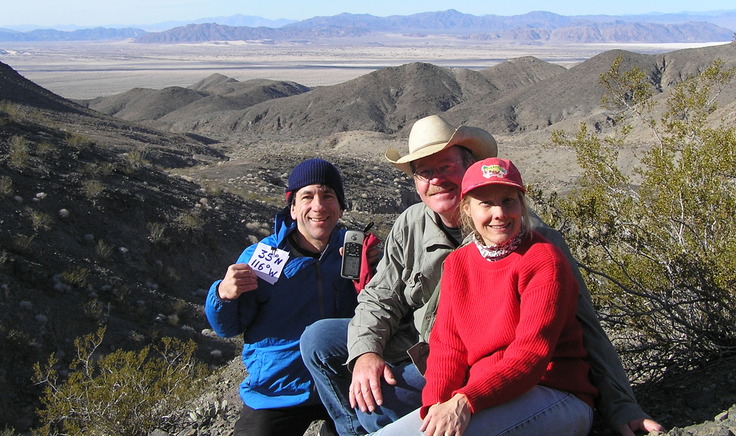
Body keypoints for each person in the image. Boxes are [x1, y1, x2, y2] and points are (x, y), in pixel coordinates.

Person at [301, 115, 664, 436]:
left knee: (377, 405)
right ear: (415, 183)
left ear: (470, 166)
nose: (437, 180)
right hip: (428, 350)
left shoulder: (536, 244)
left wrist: (621, 406)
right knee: (321, 341)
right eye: (425, 172)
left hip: (493, 368)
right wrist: (366, 353)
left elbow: (582, 328)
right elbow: (381, 298)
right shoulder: (413, 225)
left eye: (446, 166)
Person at [372, 157, 597, 435]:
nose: (499, 213)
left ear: (521, 204)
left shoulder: (543, 259)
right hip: (485, 396)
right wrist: (436, 406)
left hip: (554, 393)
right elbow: (447, 348)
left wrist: (466, 400)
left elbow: (531, 355)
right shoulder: (458, 264)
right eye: (486, 203)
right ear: (467, 208)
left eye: (508, 201)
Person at [205, 158, 380, 435]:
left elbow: (383, 311)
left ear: (341, 206)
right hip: (278, 389)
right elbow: (227, 328)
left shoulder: (357, 253)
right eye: (307, 196)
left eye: (328, 196)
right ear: (293, 207)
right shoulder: (264, 257)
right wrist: (222, 294)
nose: (319, 206)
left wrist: (376, 271)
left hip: (344, 382)